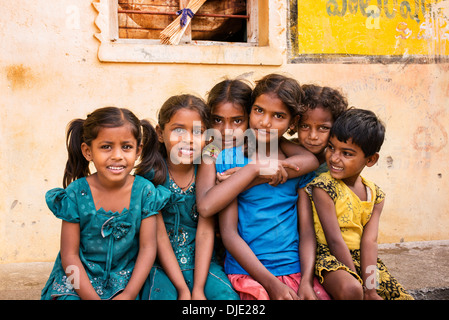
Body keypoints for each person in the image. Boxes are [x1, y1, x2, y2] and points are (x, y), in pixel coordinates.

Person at [218, 74, 330, 300]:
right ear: (250, 110)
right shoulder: (229, 158)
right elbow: (228, 233)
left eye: (278, 116)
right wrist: (271, 284)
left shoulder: (297, 165)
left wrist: (306, 280)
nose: (265, 122)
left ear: (293, 122)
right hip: (248, 273)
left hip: (293, 269)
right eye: (259, 110)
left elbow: (306, 231)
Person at [41, 107, 171, 300]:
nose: (117, 155)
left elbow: (147, 248)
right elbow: (70, 256)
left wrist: (128, 294)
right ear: (88, 151)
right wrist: (90, 298)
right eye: (106, 147)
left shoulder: (145, 192)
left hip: (127, 277)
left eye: (126, 147)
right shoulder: (75, 194)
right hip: (78, 278)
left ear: (138, 151)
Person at [305, 108, 414, 300]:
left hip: (362, 260)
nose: (334, 158)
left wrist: (371, 288)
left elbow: (369, 243)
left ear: (371, 159)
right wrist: (360, 282)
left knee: (399, 296)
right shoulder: (323, 187)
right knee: (352, 289)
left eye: (346, 153)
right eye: (331, 147)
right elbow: (334, 240)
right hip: (328, 258)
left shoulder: (375, 195)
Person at [139, 94, 239, 300]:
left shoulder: (205, 172)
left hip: (203, 264)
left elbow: (204, 232)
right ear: (160, 133)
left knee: (226, 298)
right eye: (178, 130)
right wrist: (183, 289)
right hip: (161, 265)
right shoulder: (150, 178)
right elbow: (158, 239)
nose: (189, 139)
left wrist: (198, 288)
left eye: (198, 132)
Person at [196, 78, 319, 219]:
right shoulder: (212, 153)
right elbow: (205, 207)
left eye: (237, 120)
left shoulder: (270, 142)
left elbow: (310, 161)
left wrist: (254, 173)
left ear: (247, 116)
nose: (226, 131)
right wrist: (255, 169)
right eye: (217, 120)